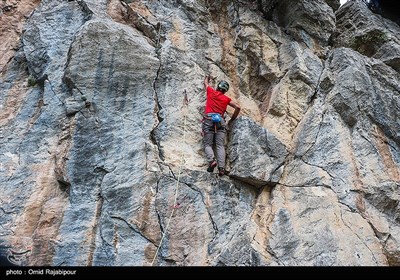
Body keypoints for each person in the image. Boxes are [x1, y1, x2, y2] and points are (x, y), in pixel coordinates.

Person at [202, 75, 241, 176]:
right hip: (220, 121)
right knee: (220, 145)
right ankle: (221, 168)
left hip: (209, 120)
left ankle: (212, 161)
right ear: (225, 90)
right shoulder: (226, 99)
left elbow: (205, 83)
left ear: (218, 87)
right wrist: (233, 118)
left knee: (208, 144)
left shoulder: (211, 91)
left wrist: (207, 77)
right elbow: (238, 107)